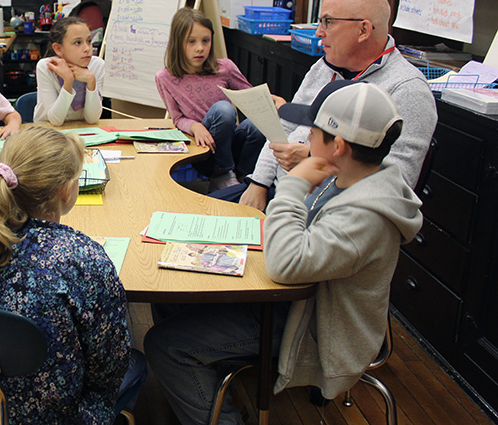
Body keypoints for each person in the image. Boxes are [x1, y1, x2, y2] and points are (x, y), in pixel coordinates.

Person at [144, 80, 423, 425]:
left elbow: (285, 264)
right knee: (173, 294)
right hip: (297, 301)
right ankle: (204, 391)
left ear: (336, 146)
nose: (304, 140)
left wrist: (294, 183)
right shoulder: (351, 180)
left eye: (312, 132)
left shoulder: (366, 215)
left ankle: (218, 412)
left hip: (310, 325)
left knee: (166, 346)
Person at [0, 126, 130, 424]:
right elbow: (110, 366)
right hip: (56, 417)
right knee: (137, 366)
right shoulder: (85, 260)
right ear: (66, 190)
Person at [235, 0, 436, 211]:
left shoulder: (408, 89)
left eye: (327, 22)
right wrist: (258, 182)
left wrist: (317, 162)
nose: (318, 32)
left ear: (363, 30)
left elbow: (399, 184)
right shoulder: (325, 67)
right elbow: (283, 128)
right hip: (280, 192)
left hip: (327, 214)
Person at [156, 8, 266, 190]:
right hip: (205, 152)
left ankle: (244, 179)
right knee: (223, 108)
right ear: (177, 43)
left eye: (206, 41)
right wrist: (195, 126)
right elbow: (177, 119)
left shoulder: (225, 67)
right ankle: (222, 174)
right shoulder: (165, 78)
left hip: (232, 145)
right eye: (191, 42)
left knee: (257, 124)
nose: (200, 48)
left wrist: (269, 100)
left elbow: (251, 99)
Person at [34, 16, 104, 125]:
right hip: (48, 130)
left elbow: (92, 119)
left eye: (89, 41)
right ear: (58, 48)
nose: (87, 49)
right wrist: (68, 81)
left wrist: (91, 81)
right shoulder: (46, 67)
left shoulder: (97, 65)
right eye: (77, 43)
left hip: (83, 128)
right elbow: (55, 120)